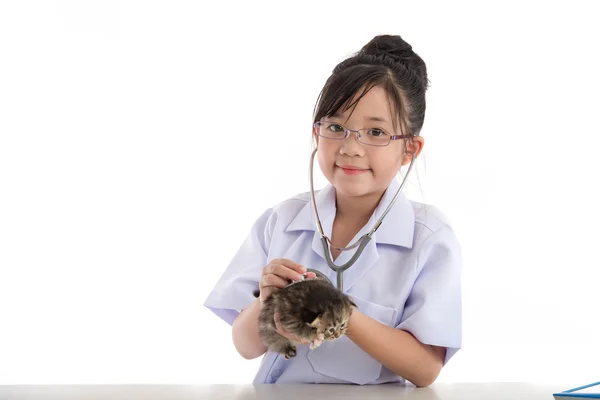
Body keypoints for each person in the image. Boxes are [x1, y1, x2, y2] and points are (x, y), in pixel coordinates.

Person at [204, 34, 462, 387]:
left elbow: (425, 369)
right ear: (316, 132)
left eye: (375, 132)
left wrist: (339, 312)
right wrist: (266, 301)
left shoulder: (429, 237)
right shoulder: (281, 221)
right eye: (336, 127)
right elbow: (245, 346)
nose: (351, 148)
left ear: (409, 150)